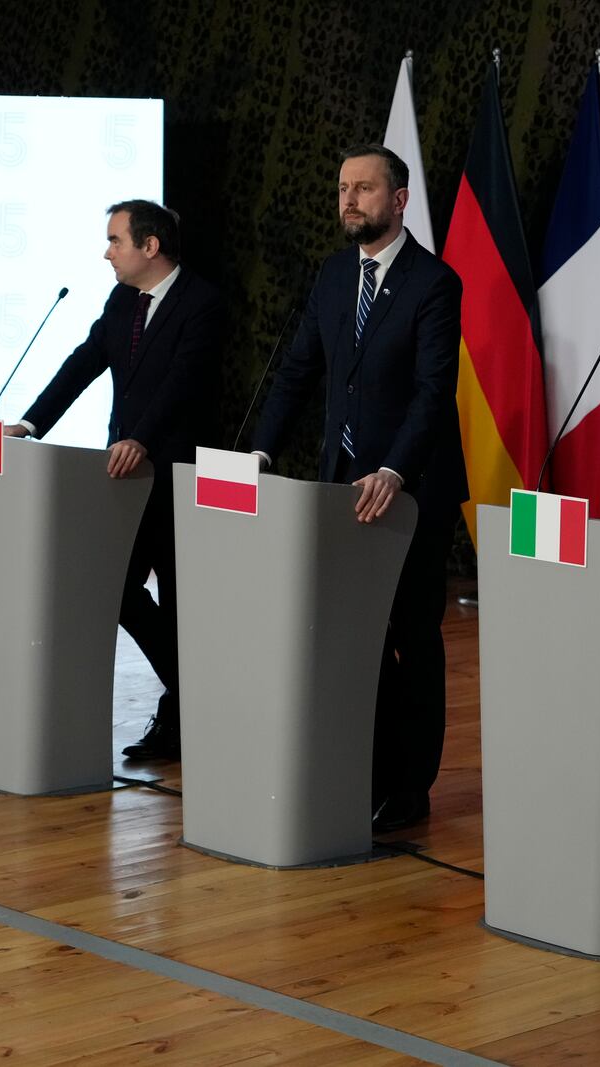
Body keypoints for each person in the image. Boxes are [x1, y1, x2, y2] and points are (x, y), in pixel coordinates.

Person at [252, 143, 465, 832]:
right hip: (341, 486)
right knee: (356, 634)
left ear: (399, 200)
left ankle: (412, 785)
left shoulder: (435, 283)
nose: (349, 199)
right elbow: (299, 370)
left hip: (411, 488)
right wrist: (259, 447)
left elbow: (434, 394)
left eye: (365, 188)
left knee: (411, 632)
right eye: (344, 187)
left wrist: (395, 468)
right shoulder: (335, 274)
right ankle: (369, 767)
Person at [5, 200, 224, 761]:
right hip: (124, 477)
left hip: (178, 475)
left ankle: (181, 723)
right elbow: (84, 361)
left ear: (150, 247)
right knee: (118, 591)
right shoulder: (122, 298)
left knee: (178, 604)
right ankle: (196, 697)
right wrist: (30, 423)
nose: (107, 252)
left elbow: (183, 385)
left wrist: (142, 439)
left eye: (115, 240)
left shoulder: (202, 301)